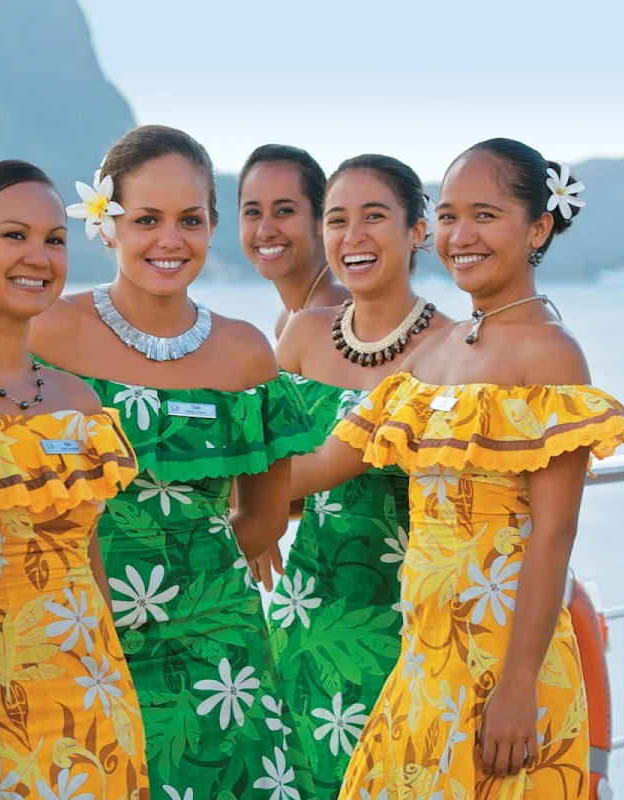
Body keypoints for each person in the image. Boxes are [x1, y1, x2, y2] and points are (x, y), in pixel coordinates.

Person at [291, 138, 624, 799]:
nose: (460, 235)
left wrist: (518, 688)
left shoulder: (550, 355)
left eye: (486, 215)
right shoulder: (436, 354)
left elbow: (553, 536)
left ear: (539, 227)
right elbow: (318, 467)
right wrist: (164, 468)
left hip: (505, 666)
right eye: (449, 214)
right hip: (424, 660)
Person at [29, 124, 318, 798]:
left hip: (220, 656)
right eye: (147, 220)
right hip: (82, 636)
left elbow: (264, 521)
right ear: (107, 224)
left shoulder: (247, 351)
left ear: (213, 224)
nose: (170, 240)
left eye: (190, 220)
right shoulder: (47, 332)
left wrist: (188, 579)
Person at [0, 160, 150, 798]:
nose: (39, 256)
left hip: (93, 687)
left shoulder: (81, 401)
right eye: (14, 235)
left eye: (54, 239)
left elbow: (88, 558)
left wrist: (113, 678)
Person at [268, 154, 448, 797]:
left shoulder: (455, 350)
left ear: (417, 230)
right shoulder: (300, 338)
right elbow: (268, 467)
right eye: (339, 220)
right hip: (305, 618)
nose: (354, 237)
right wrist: (261, 525)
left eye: (375, 217)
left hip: (412, 627)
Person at [239, 144, 350, 338]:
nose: (265, 231)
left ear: (322, 219)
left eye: (284, 211)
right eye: (253, 212)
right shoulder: (287, 320)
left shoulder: (333, 313)